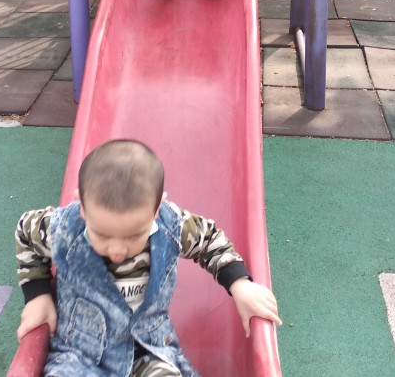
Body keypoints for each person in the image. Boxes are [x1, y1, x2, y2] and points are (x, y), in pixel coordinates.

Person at [15, 139, 281, 376]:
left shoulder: (171, 224)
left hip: (148, 348)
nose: (117, 250)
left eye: (133, 236)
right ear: (82, 206)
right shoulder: (62, 227)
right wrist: (37, 294)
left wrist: (239, 284)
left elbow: (209, 240)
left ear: (157, 209)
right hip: (80, 354)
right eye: (102, 235)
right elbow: (26, 233)